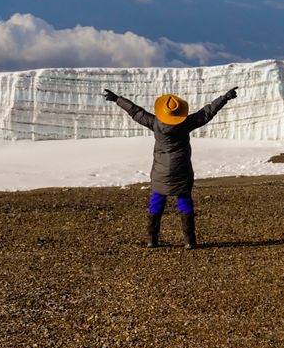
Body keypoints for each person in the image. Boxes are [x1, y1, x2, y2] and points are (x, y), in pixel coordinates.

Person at [102, 86, 238, 249]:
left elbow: (136, 112)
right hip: (181, 170)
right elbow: (206, 113)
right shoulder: (186, 124)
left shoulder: (155, 123)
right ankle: (189, 241)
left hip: (160, 172)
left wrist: (118, 99)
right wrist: (224, 98)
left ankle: (152, 240)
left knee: (156, 203)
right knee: (184, 201)